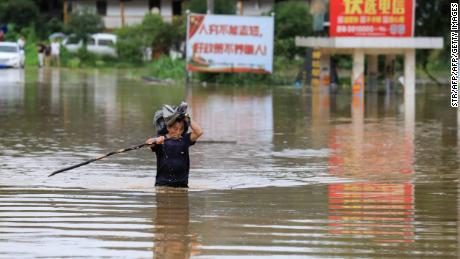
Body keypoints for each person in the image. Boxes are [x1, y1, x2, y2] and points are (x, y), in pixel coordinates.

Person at [146, 109, 203, 188]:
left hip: (182, 184)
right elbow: (148, 143)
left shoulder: (185, 139)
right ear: (168, 128)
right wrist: (156, 140)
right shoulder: (160, 140)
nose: (178, 132)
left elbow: (199, 132)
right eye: (175, 129)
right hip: (162, 184)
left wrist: (186, 117)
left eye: (181, 129)